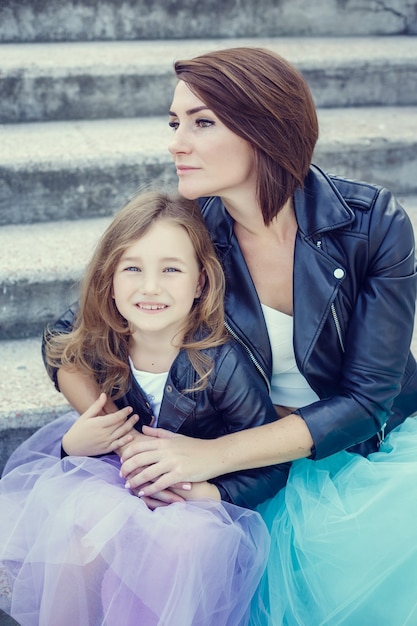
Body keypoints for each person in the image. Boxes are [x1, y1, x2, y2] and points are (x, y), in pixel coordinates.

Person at [41, 47, 417, 624]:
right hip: (244, 441)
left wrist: (211, 456)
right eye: (175, 122)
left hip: (362, 447)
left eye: (201, 122)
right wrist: (119, 436)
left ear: (265, 127)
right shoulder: (191, 231)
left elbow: (369, 402)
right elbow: (69, 339)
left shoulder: (371, 224)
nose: (176, 142)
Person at [0, 191, 290, 626]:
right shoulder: (105, 337)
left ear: (200, 283)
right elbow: (59, 346)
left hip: (193, 501)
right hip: (115, 479)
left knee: (178, 549)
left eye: (171, 270)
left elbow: (271, 463)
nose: (150, 287)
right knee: (84, 534)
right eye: (132, 268)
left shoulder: (223, 365)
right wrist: (72, 445)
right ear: (109, 281)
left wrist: (205, 494)